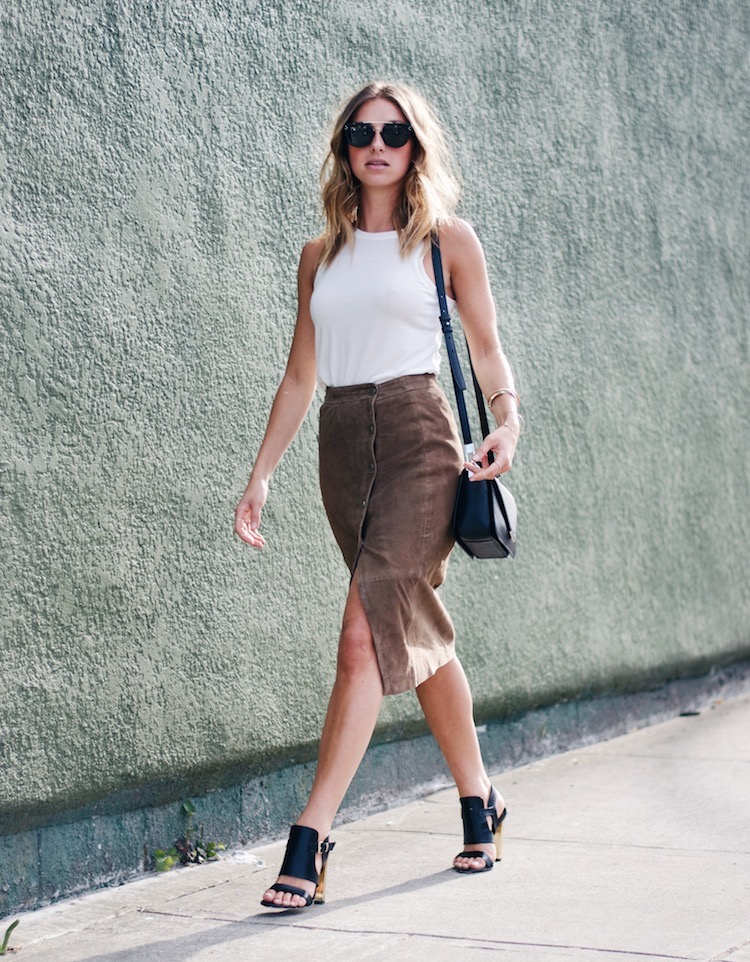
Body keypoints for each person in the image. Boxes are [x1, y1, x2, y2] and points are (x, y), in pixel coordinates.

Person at [234, 81, 521, 910]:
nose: (377, 143)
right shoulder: (319, 254)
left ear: (415, 144)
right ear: (345, 147)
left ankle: (311, 835)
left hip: (418, 436)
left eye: (394, 131)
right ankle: (481, 800)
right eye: (361, 131)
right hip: (340, 443)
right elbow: (299, 374)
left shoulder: (446, 242)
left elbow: (488, 350)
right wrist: (261, 473)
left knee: (364, 634)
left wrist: (509, 420)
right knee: (408, 628)